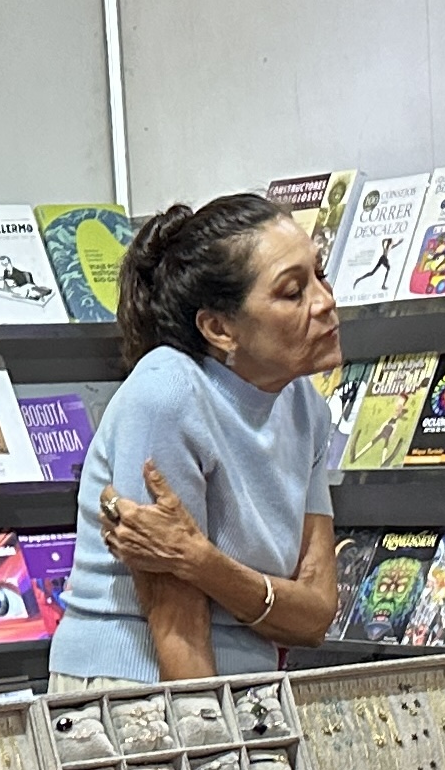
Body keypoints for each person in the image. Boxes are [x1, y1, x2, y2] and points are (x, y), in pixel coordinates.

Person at [52, 193, 345, 686]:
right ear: (219, 328)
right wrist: (207, 730)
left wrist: (202, 562)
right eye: (293, 292)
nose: (325, 302)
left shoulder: (305, 406)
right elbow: (176, 624)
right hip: (136, 685)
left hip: (245, 686)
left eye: (321, 275)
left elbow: (314, 615)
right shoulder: (168, 391)